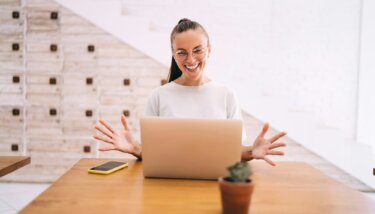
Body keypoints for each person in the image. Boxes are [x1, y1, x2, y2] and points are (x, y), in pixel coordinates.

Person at [93, 18, 287, 166]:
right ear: (173, 54)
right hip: (166, 189)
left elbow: (232, 151)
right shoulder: (159, 96)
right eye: (182, 52)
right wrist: (135, 148)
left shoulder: (226, 95)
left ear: (209, 50)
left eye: (197, 50)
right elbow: (154, 153)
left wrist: (252, 152)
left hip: (215, 188)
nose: (191, 59)